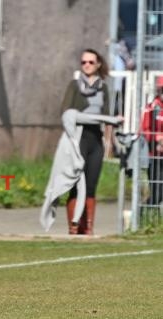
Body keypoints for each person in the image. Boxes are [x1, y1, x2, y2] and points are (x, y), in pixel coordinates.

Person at [61, 49, 112, 235]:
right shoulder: (74, 86)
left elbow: (107, 115)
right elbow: (66, 111)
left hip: (95, 140)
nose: (87, 65)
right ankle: (73, 227)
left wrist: (110, 138)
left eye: (91, 62)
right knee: (75, 183)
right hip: (77, 138)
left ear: (98, 64)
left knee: (91, 184)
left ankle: (87, 227)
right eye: (83, 62)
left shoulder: (103, 87)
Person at [140, 76, 163, 212]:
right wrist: (157, 139)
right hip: (155, 156)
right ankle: (144, 215)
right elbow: (146, 129)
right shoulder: (152, 108)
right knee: (157, 192)